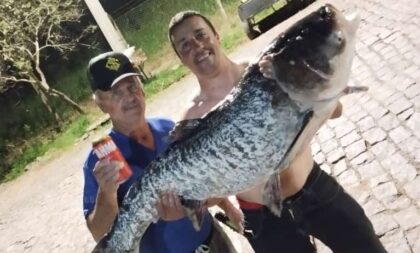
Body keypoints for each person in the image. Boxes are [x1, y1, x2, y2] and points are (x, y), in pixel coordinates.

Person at [168, 10, 387, 253]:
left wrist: (324, 93)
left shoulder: (264, 68)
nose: (197, 46)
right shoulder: (190, 120)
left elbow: (335, 111)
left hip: (314, 190)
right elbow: (208, 191)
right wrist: (188, 203)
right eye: (185, 45)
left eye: (201, 35)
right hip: (265, 221)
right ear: (180, 58)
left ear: (216, 36)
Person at [82, 51, 236, 253]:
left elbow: (200, 172)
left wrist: (228, 207)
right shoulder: (99, 160)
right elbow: (98, 232)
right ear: (101, 103)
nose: (130, 97)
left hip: (214, 241)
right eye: (116, 93)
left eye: (132, 86)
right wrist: (107, 192)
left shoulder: (167, 127)